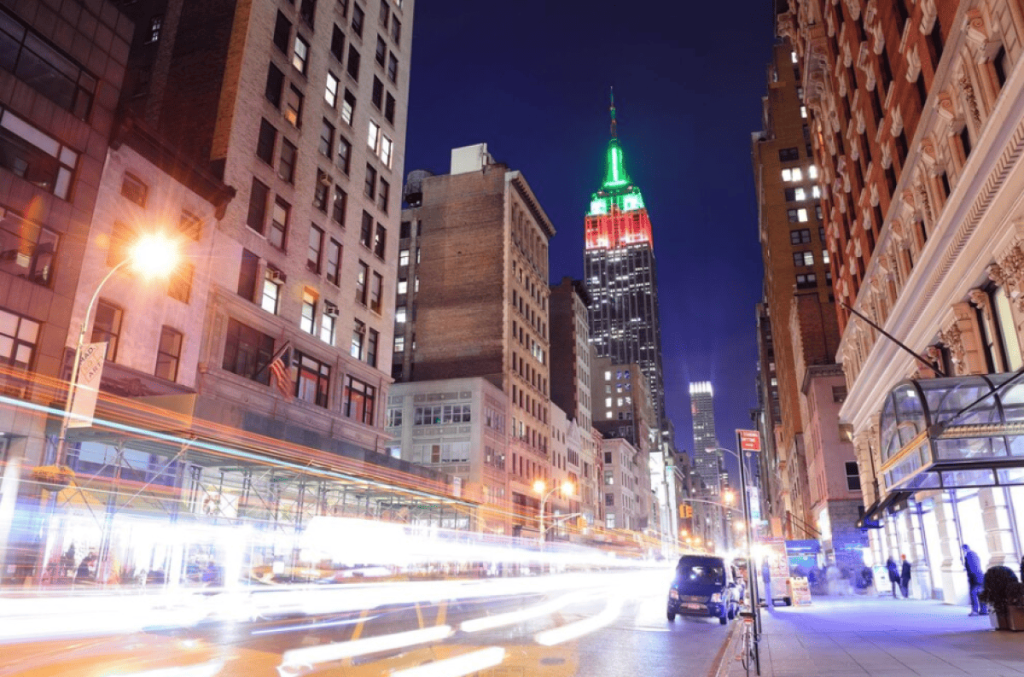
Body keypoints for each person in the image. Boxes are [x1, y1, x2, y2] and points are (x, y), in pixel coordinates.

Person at [963, 544, 988, 616]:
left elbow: (972, 567)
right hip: (979, 576)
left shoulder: (969, 555)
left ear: (964, 549)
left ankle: (975, 611)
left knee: (973, 593)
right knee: (980, 593)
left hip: (975, 578)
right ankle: (984, 610)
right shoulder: (975, 555)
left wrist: (971, 577)